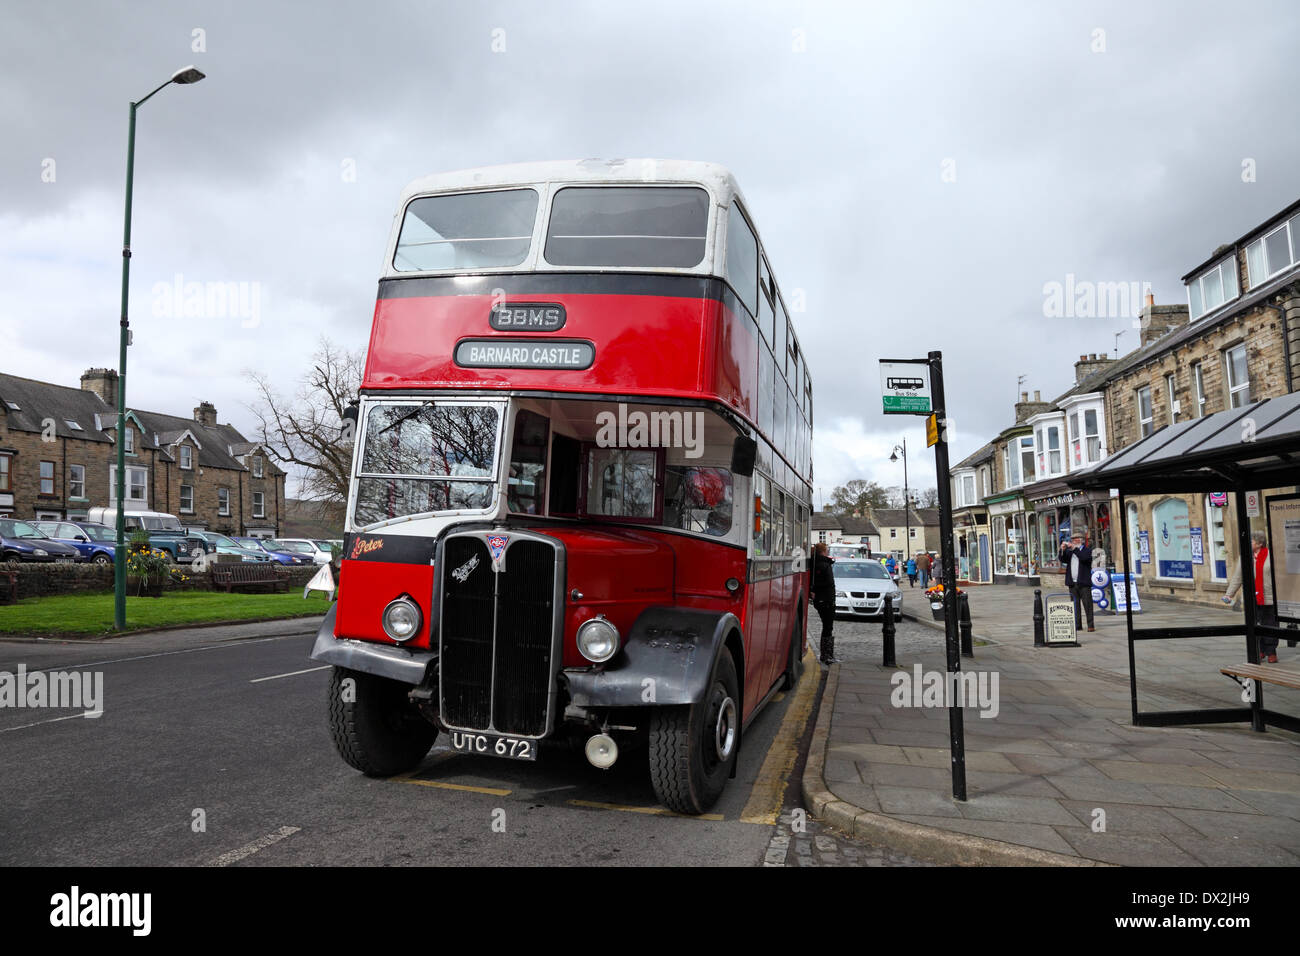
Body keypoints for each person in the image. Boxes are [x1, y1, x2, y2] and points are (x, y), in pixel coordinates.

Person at [1224, 531, 1277, 663]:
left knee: (1270, 624)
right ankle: (1260, 649)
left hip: (1269, 597)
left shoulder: (1272, 555)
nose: (1248, 544)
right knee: (1255, 623)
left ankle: (1271, 651)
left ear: (1259, 544)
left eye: (1251, 541)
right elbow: (1238, 577)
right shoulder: (1245, 557)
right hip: (1252, 597)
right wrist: (1229, 594)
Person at [810, 542, 838, 664]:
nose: (827, 552)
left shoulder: (817, 563)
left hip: (822, 599)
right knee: (828, 626)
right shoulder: (824, 565)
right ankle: (827, 655)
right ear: (822, 552)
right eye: (826, 550)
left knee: (827, 626)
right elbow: (827, 583)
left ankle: (826, 654)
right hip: (826, 599)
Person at [1060, 531, 1094, 632]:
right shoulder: (1070, 551)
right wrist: (1062, 550)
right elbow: (1063, 559)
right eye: (1072, 540)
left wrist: (1075, 549)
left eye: (1076, 540)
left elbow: (1084, 558)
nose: (1073, 542)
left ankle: (1090, 625)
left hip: (1083, 583)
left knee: (1087, 604)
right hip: (1072, 582)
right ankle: (1077, 625)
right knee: (1075, 605)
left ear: (1081, 541)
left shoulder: (1087, 551)